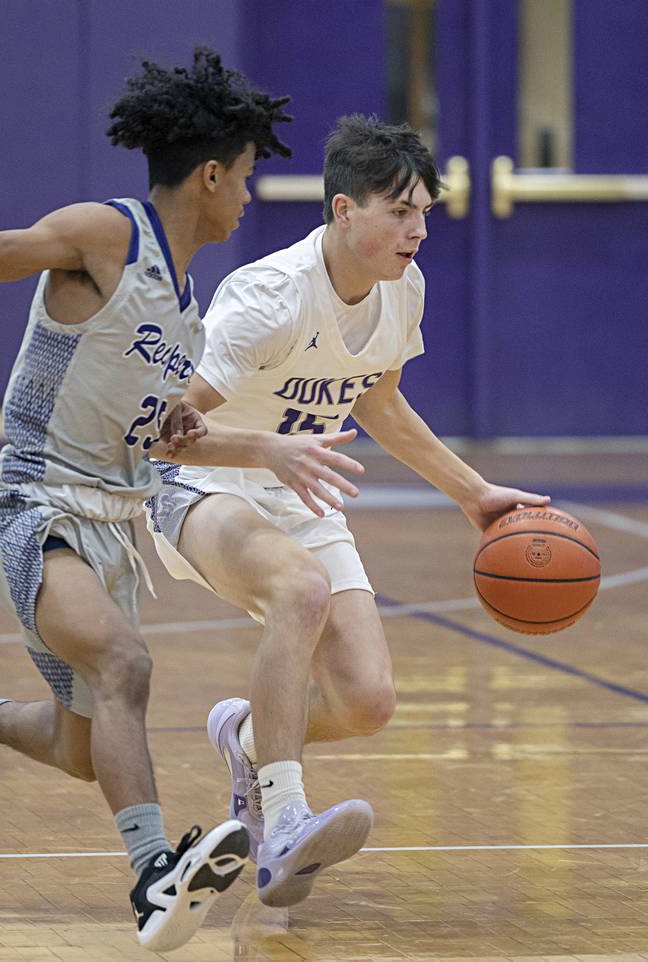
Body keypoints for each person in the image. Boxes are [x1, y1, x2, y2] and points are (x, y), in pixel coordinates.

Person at [0, 50, 364, 953]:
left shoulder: (187, 309)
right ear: (209, 174)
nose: (247, 195)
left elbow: (167, 436)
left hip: (112, 522)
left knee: (85, 748)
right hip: (32, 506)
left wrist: (270, 447)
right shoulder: (104, 235)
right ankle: (155, 876)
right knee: (125, 663)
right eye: (244, 176)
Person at [145, 115, 552, 908]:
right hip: (206, 487)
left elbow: (380, 399)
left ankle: (248, 737)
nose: (418, 230)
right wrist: (266, 451)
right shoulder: (269, 297)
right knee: (299, 591)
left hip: (300, 490)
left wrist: (473, 493)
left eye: (425, 212)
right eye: (400, 212)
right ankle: (284, 821)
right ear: (343, 210)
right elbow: (163, 434)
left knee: (367, 702)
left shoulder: (404, 288)